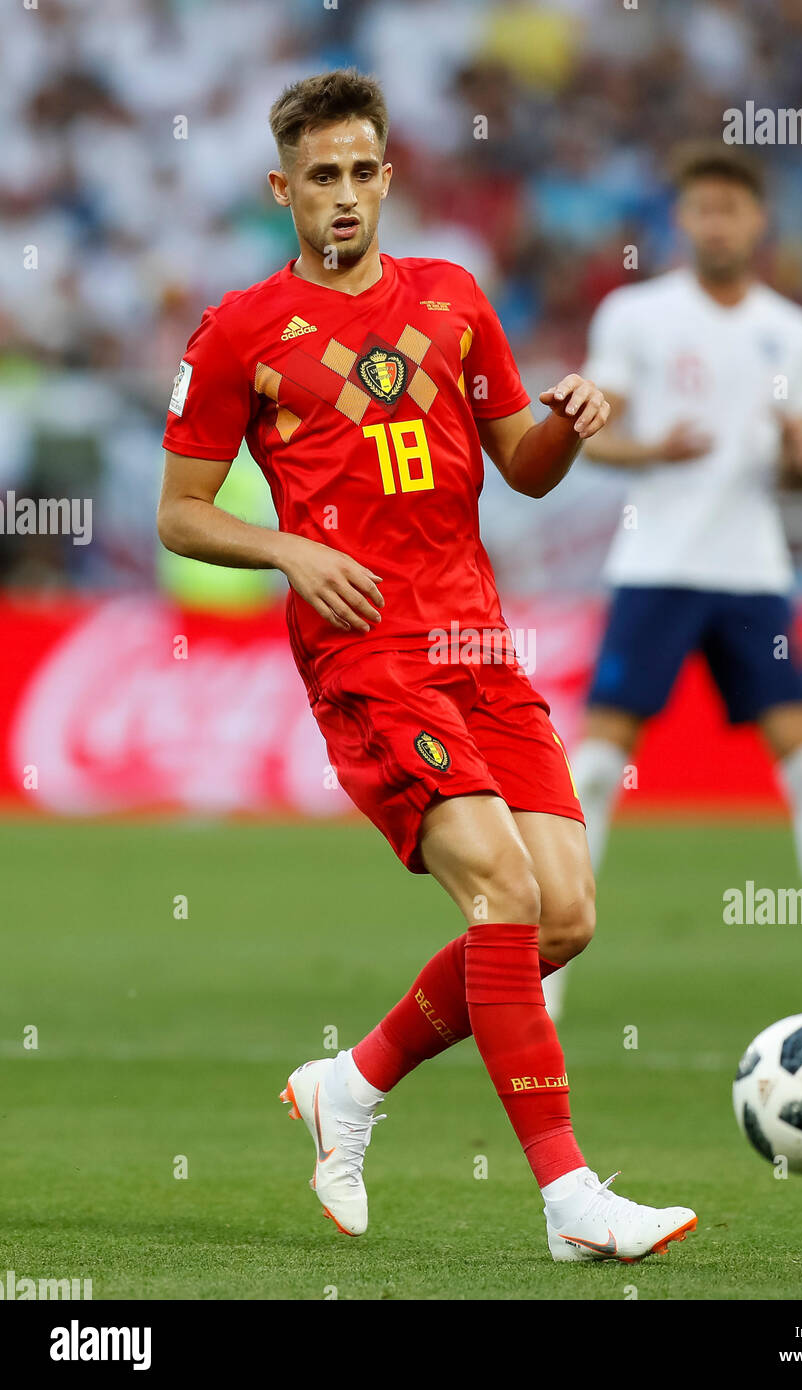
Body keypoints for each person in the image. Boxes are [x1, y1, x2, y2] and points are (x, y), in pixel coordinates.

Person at [157, 69, 697, 1263]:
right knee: (501, 892)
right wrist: (289, 547)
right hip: (366, 653)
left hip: (477, 643)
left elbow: (526, 464)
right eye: (319, 178)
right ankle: (569, 1198)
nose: (344, 197)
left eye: (361, 173)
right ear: (280, 189)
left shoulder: (453, 297)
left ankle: (350, 1084)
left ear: (387, 176)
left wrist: (570, 417)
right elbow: (181, 516)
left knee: (562, 918)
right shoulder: (240, 331)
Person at [544, 144, 802, 1033]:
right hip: (657, 565)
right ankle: (547, 969)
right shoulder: (637, 315)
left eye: (732, 209)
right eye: (702, 208)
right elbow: (589, 436)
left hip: (752, 573)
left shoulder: (790, 331)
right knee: (596, 764)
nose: (716, 223)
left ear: (758, 223)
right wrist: (653, 452)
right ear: (683, 221)